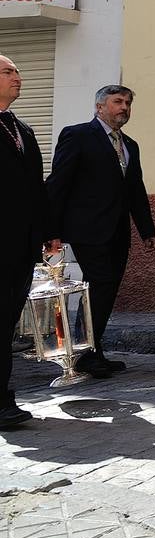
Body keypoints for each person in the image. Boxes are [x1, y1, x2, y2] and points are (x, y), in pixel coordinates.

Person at [46, 85, 155, 378]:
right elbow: (59, 183)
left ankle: (93, 350)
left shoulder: (130, 145)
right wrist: (52, 230)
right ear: (99, 107)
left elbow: (135, 189)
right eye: (118, 102)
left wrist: (147, 229)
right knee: (102, 284)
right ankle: (85, 352)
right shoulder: (78, 135)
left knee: (106, 290)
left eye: (128, 103)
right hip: (87, 229)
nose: (124, 107)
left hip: (118, 231)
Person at [0, 54, 59, 430]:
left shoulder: (23, 129)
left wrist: (48, 231)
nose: (17, 78)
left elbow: (38, 189)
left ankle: (4, 398)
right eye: (7, 72)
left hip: (20, 246)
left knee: (6, 324)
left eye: (18, 72)